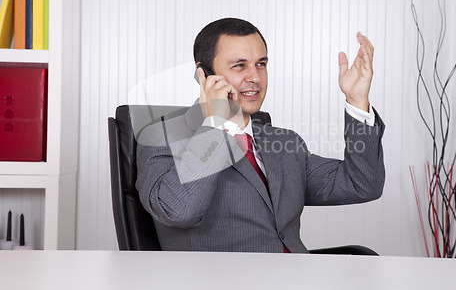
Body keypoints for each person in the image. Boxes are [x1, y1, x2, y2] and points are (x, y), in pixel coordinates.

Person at [136, 17, 385, 253]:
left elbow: (361, 185)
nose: (255, 77)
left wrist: (356, 100)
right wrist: (216, 124)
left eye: (261, 64)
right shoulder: (160, 137)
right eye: (239, 65)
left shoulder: (285, 143)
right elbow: (179, 210)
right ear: (204, 75)